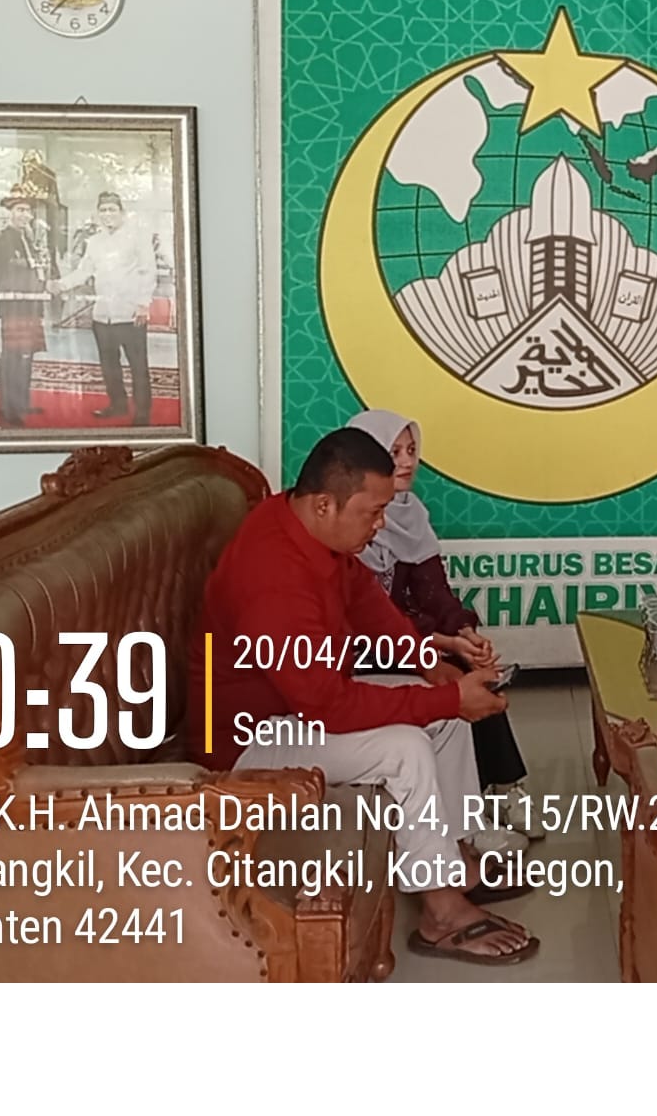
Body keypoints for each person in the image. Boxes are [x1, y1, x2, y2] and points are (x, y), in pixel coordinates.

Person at [187, 427, 539, 966]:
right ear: (324, 504)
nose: (380, 525)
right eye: (373, 512)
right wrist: (448, 698)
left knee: (443, 717)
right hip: (244, 741)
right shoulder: (272, 576)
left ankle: (455, 858)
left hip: (292, 710)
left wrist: (429, 664)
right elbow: (326, 705)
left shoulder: (303, 525)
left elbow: (363, 599)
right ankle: (441, 914)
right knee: (405, 745)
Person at [346, 409, 543, 843]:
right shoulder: (348, 518)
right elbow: (371, 619)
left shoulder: (410, 514)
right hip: (362, 649)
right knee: (457, 673)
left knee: (474, 666)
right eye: (393, 452)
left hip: (405, 639)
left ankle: (501, 789)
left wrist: (465, 633)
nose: (407, 461)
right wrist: (443, 643)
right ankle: (471, 817)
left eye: (411, 450)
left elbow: (435, 591)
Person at [49, 192, 158, 426]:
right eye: (103, 210)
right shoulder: (94, 242)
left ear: (122, 212)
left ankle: (142, 412)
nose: (107, 214)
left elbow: (148, 271)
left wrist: (143, 304)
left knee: (138, 365)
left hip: (130, 314)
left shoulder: (137, 238)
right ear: (98, 214)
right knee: (109, 364)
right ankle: (117, 404)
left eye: (112, 209)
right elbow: (83, 272)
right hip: (102, 314)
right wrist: (61, 284)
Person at [0, 192, 50, 427]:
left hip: (30, 303)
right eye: (20, 210)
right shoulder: (1, 239)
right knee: (13, 354)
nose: (25, 215)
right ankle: (8, 408)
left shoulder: (28, 238)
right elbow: (0, 272)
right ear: (10, 213)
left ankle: (22, 402)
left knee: (27, 353)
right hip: (14, 305)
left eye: (28, 211)